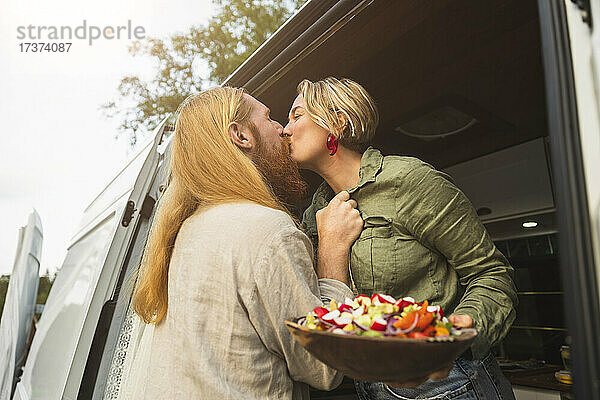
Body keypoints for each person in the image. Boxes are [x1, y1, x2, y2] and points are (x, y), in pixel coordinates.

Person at [282, 77, 518, 399]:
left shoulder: (409, 181)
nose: (285, 129)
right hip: (371, 388)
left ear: (336, 121)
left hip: (449, 382)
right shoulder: (316, 214)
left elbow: (491, 273)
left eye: (296, 116)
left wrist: (457, 336)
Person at [131, 87, 365, 400]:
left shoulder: (184, 230)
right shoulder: (269, 232)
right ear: (241, 135)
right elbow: (325, 365)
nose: (282, 129)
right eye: (269, 118)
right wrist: (332, 251)